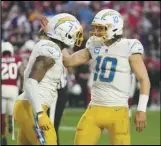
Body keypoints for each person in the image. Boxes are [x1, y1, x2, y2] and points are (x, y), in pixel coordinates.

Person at [58, 9, 151, 145]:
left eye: (101, 28)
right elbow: (69, 61)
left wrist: (141, 109)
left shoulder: (129, 46)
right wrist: (57, 40)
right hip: (94, 109)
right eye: (95, 27)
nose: (96, 31)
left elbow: (144, 79)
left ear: (114, 28)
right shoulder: (94, 43)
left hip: (118, 111)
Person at [13, 13, 83, 145]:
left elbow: (67, 60)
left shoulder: (51, 47)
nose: (77, 36)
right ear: (64, 34)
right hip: (32, 109)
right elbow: (31, 81)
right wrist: (39, 113)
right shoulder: (51, 50)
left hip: (28, 106)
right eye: (74, 33)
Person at [1, 42, 24, 145]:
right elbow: (21, 72)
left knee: (2, 114)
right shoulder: (17, 59)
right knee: (11, 110)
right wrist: (23, 85)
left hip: (2, 87)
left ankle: (3, 135)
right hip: (13, 88)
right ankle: (11, 119)